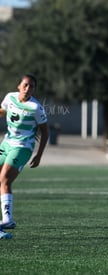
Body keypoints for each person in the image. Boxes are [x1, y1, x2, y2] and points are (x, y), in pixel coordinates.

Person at [0, 74, 49, 239]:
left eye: (32, 86)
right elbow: (3, 111)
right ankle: (5, 223)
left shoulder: (36, 108)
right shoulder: (10, 97)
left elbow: (45, 131)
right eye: (26, 85)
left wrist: (39, 155)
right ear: (19, 86)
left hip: (23, 147)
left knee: (4, 178)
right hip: (6, 144)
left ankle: (7, 219)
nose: (28, 89)